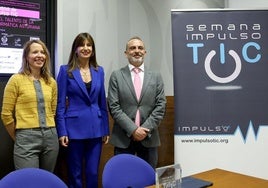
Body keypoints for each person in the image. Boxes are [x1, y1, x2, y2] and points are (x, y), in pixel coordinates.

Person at [56, 32, 109, 188]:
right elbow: (60, 104)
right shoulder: (66, 71)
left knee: (93, 172)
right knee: (75, 173)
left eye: (89, 45)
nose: (86, 48)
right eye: (82, 45)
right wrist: (62, 131)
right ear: (76, 49)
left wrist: (106, 128)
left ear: (92, 49)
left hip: (96, 129)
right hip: (73, 130)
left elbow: (101, 102)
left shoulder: (99, 71)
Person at [108, 36, 166, 168]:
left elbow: (160, 105)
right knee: (122, 179)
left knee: (148, 180)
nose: (136, 51)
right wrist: (133, 130)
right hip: (123, 139)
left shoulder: (156, 76)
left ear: (145, 52)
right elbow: (114, 107)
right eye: (132, 48)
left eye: (140, 48)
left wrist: (144, 130)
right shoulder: (116, 76)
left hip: (149, 137)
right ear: (126, 53)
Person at [1, 39, 59, 172]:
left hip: (51, 138)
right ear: (26, 57)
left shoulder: (51, 82)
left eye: (42, 52)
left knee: (46, 180)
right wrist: (20, 137)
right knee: (28, 181)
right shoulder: (16, 80)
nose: (40, 55)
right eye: (35, 52)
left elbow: (53, 111)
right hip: (26, 137)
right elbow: (6, 114)